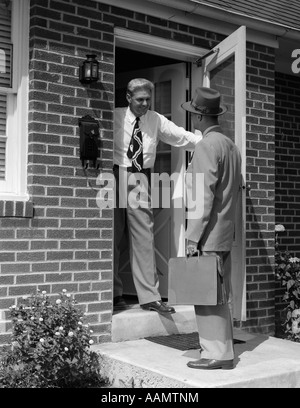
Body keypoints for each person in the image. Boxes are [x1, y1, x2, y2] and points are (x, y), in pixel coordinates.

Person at [113, 78, 201, 315]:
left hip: (140, 175)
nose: (144, 104)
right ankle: (113, 292)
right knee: (112, 234)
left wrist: (207, 142)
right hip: (113, 173)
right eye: (140, 99)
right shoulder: (115, 116)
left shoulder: (155, 119)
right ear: (128, 98)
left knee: (143, 234)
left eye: (148, 99)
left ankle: (150, 297)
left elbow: (180, 136)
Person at [181, 87, 242, 370]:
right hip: (224, 233)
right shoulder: (230, 145)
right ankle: (222, 350)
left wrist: (193, 237)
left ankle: (217, 354)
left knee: (208, 297)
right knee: (219, 294)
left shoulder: (206, 145)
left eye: (194, 113)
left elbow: (202, 195)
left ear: (201, 116)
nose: (192, 118)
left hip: (208, 235)